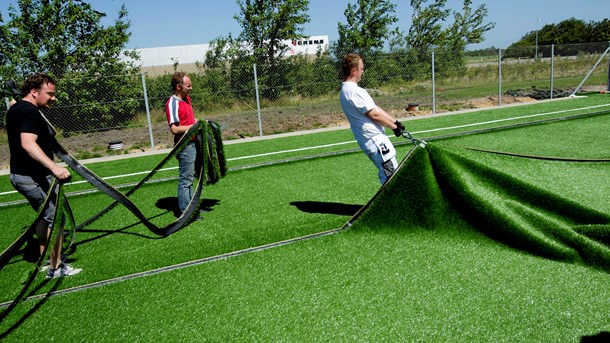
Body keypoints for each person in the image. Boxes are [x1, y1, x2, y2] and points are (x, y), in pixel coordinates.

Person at [6, 74, 82, 278]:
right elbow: (28, 143)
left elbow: (14, 104)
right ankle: (56, 268)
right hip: (33, 177)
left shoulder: (17, 108)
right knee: (56, 219)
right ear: (34, 92)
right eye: (49, 93)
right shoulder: (30, 113)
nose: (53, 98)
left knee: (44, 218)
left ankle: (46, 259)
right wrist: (54, 168)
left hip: (20, 176)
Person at [339, 54, 406, 185]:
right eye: (361, 69)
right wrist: (394, 128)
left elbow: (374, 108)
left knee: (391, 174)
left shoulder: (348, 90)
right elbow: (374, 115)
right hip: (374, 141)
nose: (362, 72)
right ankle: (388, 204)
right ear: (354, 70)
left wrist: (395, 121)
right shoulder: (353, 91)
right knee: (390, 176)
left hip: (374, 139)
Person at [165, 71, 199, 214]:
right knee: (185, 180)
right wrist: (193, 127)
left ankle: (191, 207)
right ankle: (185, 213)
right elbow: (174, 128)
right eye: (188, 86)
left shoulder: (187, 99)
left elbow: (192, 120)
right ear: (179, 86)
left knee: (190, 178)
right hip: (184, 147)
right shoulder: (172, 103)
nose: (190, 88)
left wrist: (201, 123)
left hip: (193, 144)